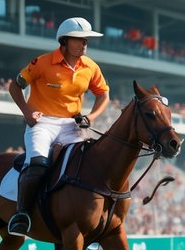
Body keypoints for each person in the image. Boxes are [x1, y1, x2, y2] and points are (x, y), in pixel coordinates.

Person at [7, 17, 110, 236]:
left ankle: (95, 224)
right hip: (42, 123)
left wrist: (91, 116)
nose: (85, 45)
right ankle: (22, 215)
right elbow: (15, 86)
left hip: (71, 126)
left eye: (86, 41)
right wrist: (27, 113)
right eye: (80, 40)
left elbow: (103, 95)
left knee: (88, 167)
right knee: (37, 163)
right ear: (65, 41)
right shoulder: (41, 63)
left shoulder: (90, 67)